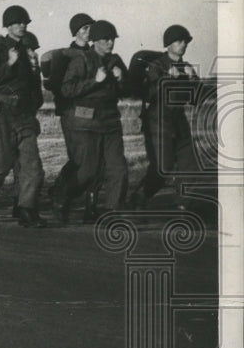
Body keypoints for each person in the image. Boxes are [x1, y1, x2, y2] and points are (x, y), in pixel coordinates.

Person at [0, 6, 47, 227]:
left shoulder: (28, 51)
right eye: (17, 23)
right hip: (0, 114)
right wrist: (9, 64)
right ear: (7, 26)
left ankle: (26, 209)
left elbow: (34, 87)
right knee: (0, 163)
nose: (22, 26)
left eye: (24, 22)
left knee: (32, 165)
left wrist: (33, 102)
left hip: (23, 114)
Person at [53, 20, 129, 218]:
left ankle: (113, 211)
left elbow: (130, 91)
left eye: (112, 39)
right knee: (88, 170)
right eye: (105, 40)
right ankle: (63, 196)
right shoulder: (82, 60)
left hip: (111, 120)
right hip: (86, 122)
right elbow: (67, 89)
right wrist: (95, 81)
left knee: (117, 167)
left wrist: (121, 79)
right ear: (95, 41)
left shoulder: (116, 60)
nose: (110, 43)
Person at [130, 24, 202, 209]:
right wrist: (168, 78)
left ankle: (182, 205)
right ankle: (138, 198)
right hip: (158, 120)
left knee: (191, 164)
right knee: (164, 167)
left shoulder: (186, 68)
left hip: (178, 120)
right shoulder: (156, 66)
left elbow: (194, 100)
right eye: (179, 41)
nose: (183, 44)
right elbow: (149, 95)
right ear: (168, 44)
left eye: (185, 41)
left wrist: (193, 81)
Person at [46, 14, 96, 220]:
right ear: (75, 32)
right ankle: (61, 195)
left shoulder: (97, 53)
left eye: (91, 28)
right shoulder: (65, 56)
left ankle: (89, 207)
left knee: (96, 158)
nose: (88, 32)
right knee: (80, 159)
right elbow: (59, 88)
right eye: (84, 28)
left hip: (95, 114)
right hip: (73, 113)